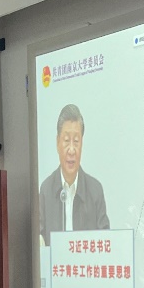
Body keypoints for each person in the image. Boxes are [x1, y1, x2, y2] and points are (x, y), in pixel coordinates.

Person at [38, 104, 110, 244]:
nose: (71, 150)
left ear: (82, 144)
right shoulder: (46, 190)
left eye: (76, 141)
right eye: (66, 140)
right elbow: (40, 239)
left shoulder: (95, 190)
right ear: (57, 142)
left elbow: (106, 241)